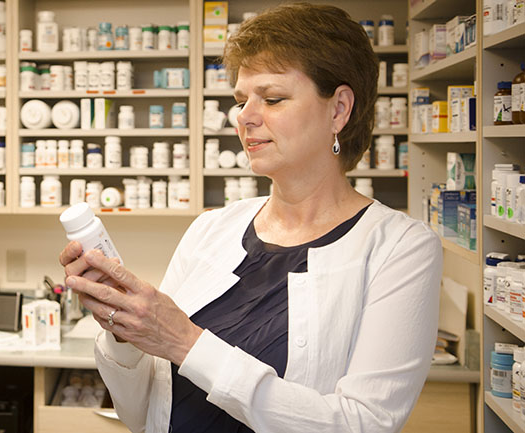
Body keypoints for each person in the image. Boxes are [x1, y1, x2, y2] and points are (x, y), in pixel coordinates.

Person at [58, 4, 442, 432]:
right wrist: (125, 332)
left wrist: (185, 343)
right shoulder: (210, 229)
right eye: (241, 101)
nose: (245, 117)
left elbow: (363, 424)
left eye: (273, 98)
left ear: (338, 110)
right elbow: (145, 411)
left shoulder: (399, 247)